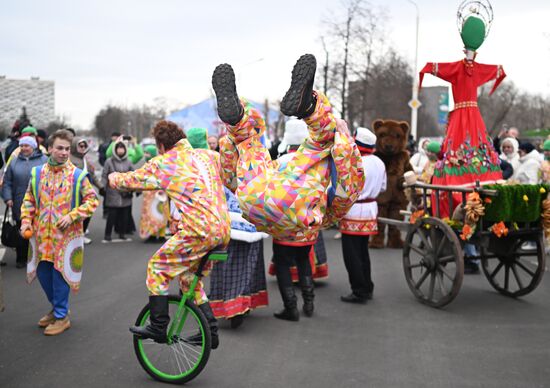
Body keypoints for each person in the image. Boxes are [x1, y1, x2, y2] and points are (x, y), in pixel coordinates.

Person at [212, 54, 364, 321]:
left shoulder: (281, 161)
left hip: (254, 201)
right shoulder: (310, 177)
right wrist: (343, 142)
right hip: (300, 210)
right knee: (322, 140)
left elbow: (227, 177)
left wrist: (229, 145)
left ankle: (237, 119)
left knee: (249, 143)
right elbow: (349, 188)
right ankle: (308, 106)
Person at [108, 120, 231, 348]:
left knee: (157, 268)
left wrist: (112, 178)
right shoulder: (208, 156)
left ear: (162, 145)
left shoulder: (166, 162)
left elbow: (132, 181)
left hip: (199, 231)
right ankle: (211, 333)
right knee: (188, 280)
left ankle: (158, 326)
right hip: (222, 230)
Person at [187, 126, 268, 328]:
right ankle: (241, 305)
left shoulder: (213, 161)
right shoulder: (260, 161)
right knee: (247, 264)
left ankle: (232, 307)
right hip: (251, 220)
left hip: (227, 221)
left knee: (227, 265)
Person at [20, 129, 98, 335]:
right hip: (41, 238)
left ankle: (62, 316)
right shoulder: (37, 173)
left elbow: (92, 200)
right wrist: (26, 222)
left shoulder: (78, 176)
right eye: (60, 148)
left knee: (60, 277)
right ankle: (57, 310)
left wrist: (73, 215)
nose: (64, 152)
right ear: (50, 149)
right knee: (44, 276)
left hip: (65, 239)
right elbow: (29, 200)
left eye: (66, 149)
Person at [339, 127, 386, 304]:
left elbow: (344, 188)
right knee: (363, 251)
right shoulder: (379, 162)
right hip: (370, 210)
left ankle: (359, 290)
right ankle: (367, 286)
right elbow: (383, 187)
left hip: (353, 210)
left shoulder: (354, 162)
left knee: (351, 253)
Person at [2, 136, 48, 268]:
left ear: (33, 146)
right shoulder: (14, 162)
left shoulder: (44, 160)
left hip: (41, 202)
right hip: (19, 203)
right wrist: (8, 198)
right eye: (21, 146)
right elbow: (7, 182)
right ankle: (21, 258)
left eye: (26, 145)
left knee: (40, 231)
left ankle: (39, 258)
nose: (24, 148)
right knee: (22, 230)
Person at [70, 137, 103, 244]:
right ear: (75, 146)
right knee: (75, 215)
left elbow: (92, 176)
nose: (82, 148)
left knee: (87, 213)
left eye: (84, 146)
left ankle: (82, 234)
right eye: (80, 145)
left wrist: (101, 187)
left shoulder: (85, 160)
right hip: (73, 193)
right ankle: (74, 237)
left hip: (85, 193)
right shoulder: (69, 160)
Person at [102, 140, 134, 242]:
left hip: (125, 193)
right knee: (112, 215)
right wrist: (103, 187)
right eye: (118, 148)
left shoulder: (129, 162)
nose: (120, 150)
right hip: (113, 192)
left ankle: (122, 234)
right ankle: (107, 235)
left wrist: (136, 188)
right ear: (115, 150)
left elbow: (133, 175)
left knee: (124, 216)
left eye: (122, 148)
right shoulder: (109, 161)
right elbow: (104, 175)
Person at [139, 144, 169, 242]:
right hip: (149, 195)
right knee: (150, 214)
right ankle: (152, 234)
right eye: (145, 153)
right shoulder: (146, 165)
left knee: (160, 213)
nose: (145, 155)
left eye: (147, 153)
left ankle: (161, 234)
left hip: (159, 193)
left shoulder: (159, 163)